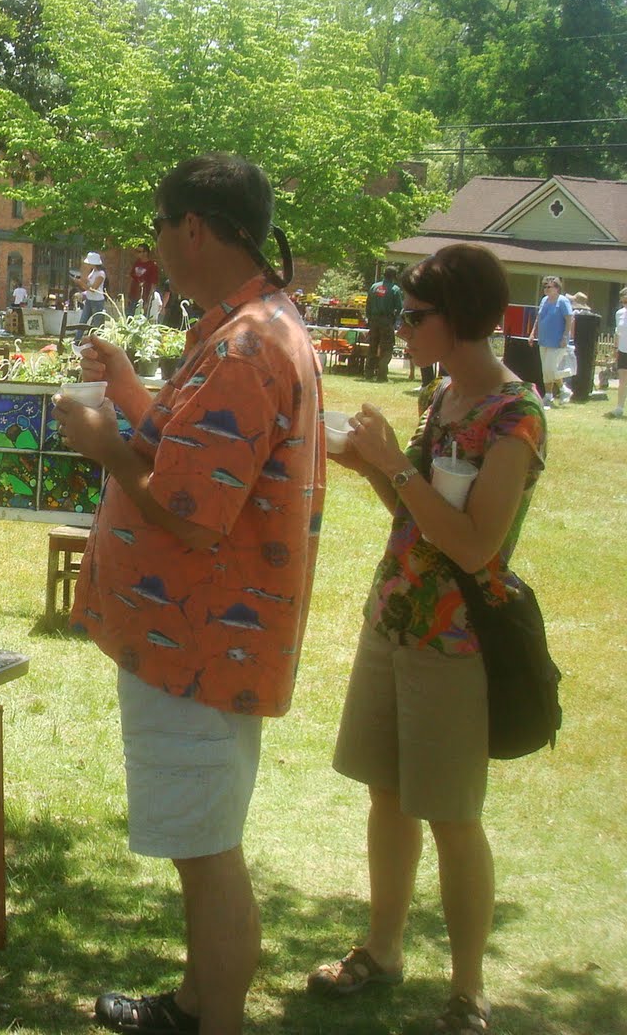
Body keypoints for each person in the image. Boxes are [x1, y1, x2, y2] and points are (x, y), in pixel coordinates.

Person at [55, 153, 324, 1035]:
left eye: (160, 227)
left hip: (199, 646)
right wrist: (131, 390)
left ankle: (219, 1022)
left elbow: (191, 511)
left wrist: (105, 443)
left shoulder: (249, 345)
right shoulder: (245, 327)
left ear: (194, 229)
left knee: (209, 856)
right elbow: (192, 452)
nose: (154, 245)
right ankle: (195, 1005)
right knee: (201, 846)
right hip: (198, 643)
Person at [309, 243, 545, 1035]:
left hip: (458, 643)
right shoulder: (441, 398)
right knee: (386, 793)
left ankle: (468, 992)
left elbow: (477, 547)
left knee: (451, 814)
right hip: (396, 621)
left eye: (415, 316)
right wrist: (368, 463)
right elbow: (412, 518)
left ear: (462, 319)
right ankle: (382, 951)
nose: (401, 328)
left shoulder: (517, 418)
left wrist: (394, 468)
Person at [534, 275, 573, 407]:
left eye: (549, 286)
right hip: (543, 340)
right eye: (544, 286)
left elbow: (569, 319)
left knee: (550, 368)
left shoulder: (563, 301)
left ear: (557, 288)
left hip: (557, 342)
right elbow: (539, 318)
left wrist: (565, 337)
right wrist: (532, 333)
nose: (546, 289)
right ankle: (549, 396)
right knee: (546, 370)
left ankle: (563, 389)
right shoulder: (544, 300)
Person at [365, 265, 405, 381]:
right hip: (386, 321)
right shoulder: (395, 289)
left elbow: (368, 305)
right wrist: (395, 320)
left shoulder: (374, 287)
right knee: (386, 348)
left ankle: (368, 374)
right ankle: (381, 375)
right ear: (394, 276)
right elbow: (399, 308)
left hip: (374, 321)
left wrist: (370, 319)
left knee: (372, 347)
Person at [609, 291, 627, 419]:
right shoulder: (619, 313)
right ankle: (619, 407)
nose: (624, 304)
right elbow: (617, 333)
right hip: (623, 350)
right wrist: (615, 349)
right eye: (622, 301)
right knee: (622, 381)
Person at [127, 243, 159, 315]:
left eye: (139, 251)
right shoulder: (137, 263)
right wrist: (128, 295)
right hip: (133, 296)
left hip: (144, 297)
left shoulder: (152, 265)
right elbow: (131, 279)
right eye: (137, 251)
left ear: (145, 253)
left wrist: (148, 300)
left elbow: (153, 284)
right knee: (129, 318)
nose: (137, 253)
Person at [77, 252, 107, 326]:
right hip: (89, 299)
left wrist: (81, 283)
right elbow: (89, 282)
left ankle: (93, 337)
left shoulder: (101, 274)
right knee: (82, 321)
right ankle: (77, 337)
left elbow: (93, 289)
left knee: (96, 324)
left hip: (97, 301)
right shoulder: (93, 272)